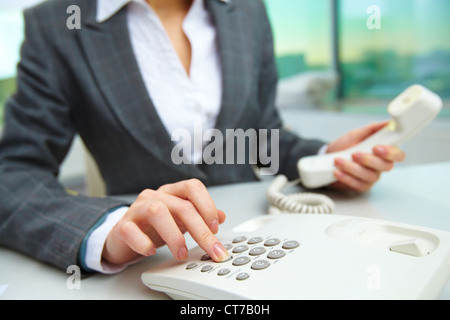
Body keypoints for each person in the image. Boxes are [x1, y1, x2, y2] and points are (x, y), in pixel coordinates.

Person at [0, 0, 405, 274]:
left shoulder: (246, 10)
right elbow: (13, 174)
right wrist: (107, 228)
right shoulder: (56, 23)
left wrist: (325, 160)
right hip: (150, 266)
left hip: (266, 248)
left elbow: (262, 137)